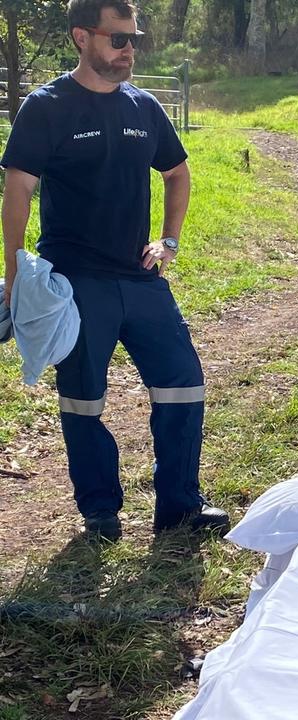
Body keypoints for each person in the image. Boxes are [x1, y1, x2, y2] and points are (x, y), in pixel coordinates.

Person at [1, 0, 228, 542]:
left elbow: (177, 172)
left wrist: (169, 239)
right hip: (76, 283)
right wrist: (14, 276)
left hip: (142, 278)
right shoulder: (46, 106)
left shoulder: (143, 107)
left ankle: (179, 506)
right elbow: (18, 193)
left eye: (135, 39)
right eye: (118, 38)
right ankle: (100, 510)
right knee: (83, 398)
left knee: (183, 383)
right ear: (82, 37)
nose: (129, 50)